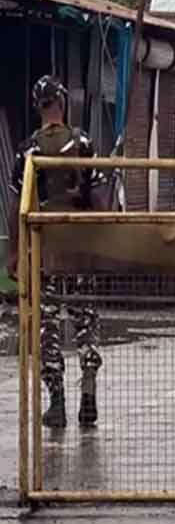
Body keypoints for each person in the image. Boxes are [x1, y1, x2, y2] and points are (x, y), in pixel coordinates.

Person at [8, 75, 102, 427]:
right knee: (86, 322)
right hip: (80, 250)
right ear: (62, 102)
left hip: (44, 251)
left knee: (45, 326)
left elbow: (17, 204)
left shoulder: (28, 150)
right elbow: (100, 197)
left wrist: (15, 252)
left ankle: (57, 401)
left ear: (38, 107)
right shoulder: (84, 142)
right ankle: (88, 390)